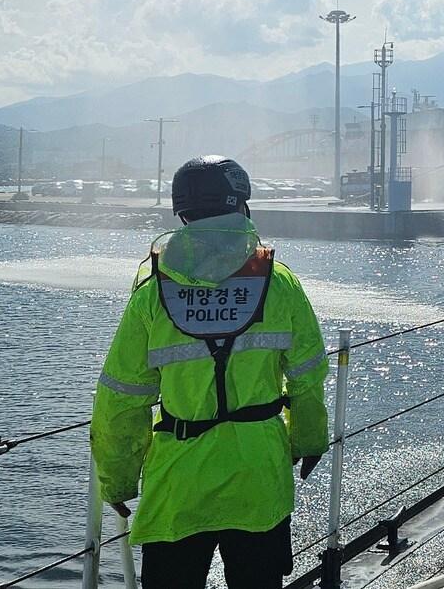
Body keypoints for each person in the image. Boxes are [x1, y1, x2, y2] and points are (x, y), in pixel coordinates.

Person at [92, 156, 329, 589]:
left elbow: (121, 397)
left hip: (178, 482)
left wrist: (118, 480)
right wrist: (308, 441)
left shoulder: (154, 290)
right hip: (259, 476)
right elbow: (308, 377)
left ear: (182, 214)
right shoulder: (279, 283)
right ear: (242, 205)